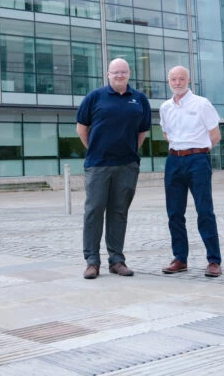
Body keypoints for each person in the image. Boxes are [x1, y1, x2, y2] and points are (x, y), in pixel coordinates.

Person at [75, 58, 152, 279]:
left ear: (129, 74)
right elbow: (82, 129)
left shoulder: (139, 99)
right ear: (108, 74)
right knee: (94, 211)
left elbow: (142, 132)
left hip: (127, 165)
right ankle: (92, 261)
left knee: (119, 213)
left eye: (123, 72)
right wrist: (96, 149)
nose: (119, 75)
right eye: (115, 72)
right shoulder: (94, 97)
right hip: (98, 165)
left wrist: (128, 153)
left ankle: (116, 260)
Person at [159, 65, 223, 277]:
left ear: (188, 81)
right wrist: (180, 149)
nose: (177, 83)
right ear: (169, 81)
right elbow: (167, 134)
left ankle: (214, 261)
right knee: (174, 213)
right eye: (173, 79)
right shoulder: (165, 107)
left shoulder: (202, 104)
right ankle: (180, 259)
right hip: (174, 160)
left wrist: (198, 151)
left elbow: (215, 135)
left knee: (204, 211)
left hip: (197, 160)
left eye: (181, 79)